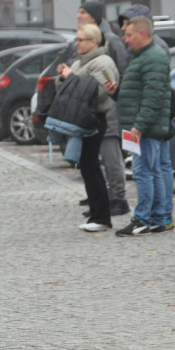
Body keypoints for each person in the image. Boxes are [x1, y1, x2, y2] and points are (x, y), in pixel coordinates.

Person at [57, 0, 130, 216]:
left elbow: (117, 76)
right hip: (87, 113)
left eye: (83, 13)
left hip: (107, 111)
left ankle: (118, 198)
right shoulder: (82, 45)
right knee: (93, 160)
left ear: (95, 17)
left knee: (111, 157)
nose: (78, 16)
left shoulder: (112, 42)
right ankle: (100, 196)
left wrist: (116, 99)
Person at [54, 24, 120, 231]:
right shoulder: (82, 61)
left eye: (81, 40)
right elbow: (65, 90)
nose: (77, 43)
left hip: (95, 119)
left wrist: (70, 77)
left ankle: (101, 217)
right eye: (76, 39)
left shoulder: (103, 62)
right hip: (81, 120)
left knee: (92, 167)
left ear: (94, 42)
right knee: (87, 167)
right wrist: (63, 77)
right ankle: (96, 213)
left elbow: (97, 93)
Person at [114, 17, 172, 236]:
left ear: (142, 34)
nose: (125, 40)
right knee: (152, 171)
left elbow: (153, 96)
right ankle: (157, 217)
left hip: (144, 128)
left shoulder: (152, 57)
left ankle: (142, 219)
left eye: (129, 35)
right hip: (143, 126)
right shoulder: (144, 56)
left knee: (143, 172)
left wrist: (139, 125)